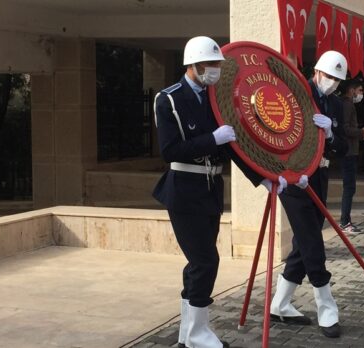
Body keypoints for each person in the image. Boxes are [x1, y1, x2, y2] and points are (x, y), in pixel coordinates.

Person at [152, 36, 257, 348]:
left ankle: (188, 335)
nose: (215, 70)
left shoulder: (215, 100)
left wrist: (261, 178)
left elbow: (232, 145)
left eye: (217, 65)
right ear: (193, 65)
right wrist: (212, 139)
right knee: (206, 261)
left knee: (197, 263)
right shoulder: (168, 99)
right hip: (184, 191)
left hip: (211, 190)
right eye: (210, 65)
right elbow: (170, 150)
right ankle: (199, 336)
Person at [266, 50, 349, 339]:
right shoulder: (295, 94)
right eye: (329, 77)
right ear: (316, 72)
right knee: (313, 241)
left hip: (320, 176)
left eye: (337, 80)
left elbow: (343, 149)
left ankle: (279, 304)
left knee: (305, 239)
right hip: (294, 178)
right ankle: (327, 308)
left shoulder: (335, 104)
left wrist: (330, 135)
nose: (332, 83)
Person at [338, 79, 364, 234]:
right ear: (351, 90)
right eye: (359, 90)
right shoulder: (347, 105)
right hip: (348, 151)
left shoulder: (347, 104)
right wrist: (361, 132)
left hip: (351, 150)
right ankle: (345, 221)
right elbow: (345, 129)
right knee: (349, 187)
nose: (361, 94)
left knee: (350, 187)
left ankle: (346, 220)